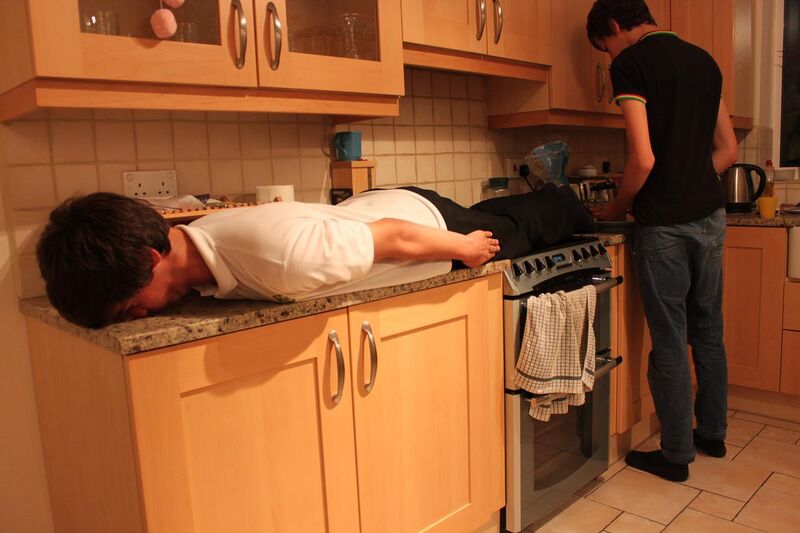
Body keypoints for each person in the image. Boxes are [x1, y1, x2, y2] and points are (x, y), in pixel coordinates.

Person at [36, 184, 595, 328]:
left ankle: (569, 201)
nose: (137, 315)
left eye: (129, 306)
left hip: (425, 227)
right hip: (381, 213)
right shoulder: (193, 241)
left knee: (516, 229)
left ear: (151, 256)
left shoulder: (281, 259)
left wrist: (464, 248)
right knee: (501, 217)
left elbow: (393, 240)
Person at [586, 0, 739, 482]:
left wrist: (614, 208)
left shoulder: (631, 64)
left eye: (604, 47)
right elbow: (728, 150)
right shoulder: (704, 61)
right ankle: (711, 433)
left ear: (613, 27)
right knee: (708, 333)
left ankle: (676, 455)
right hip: (710, 219)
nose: (609, 57)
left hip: (664, 228)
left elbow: (643, 160)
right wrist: (692, 180)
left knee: (670, 340)